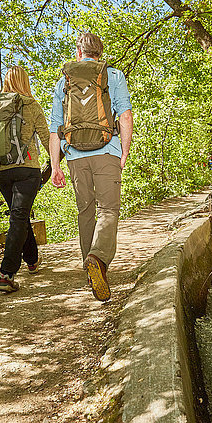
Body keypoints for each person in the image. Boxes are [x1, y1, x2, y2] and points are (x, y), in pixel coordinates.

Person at [49, 32, 133, 301]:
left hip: (74, 155)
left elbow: (55, 128)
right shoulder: (113, 75)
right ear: (100, 51)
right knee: (108, 209)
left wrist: (55, 166)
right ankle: (98, 259)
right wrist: (125, 151)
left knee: (85, 211)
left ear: (79, 51)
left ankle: (90, 268)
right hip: (106, 150)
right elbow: (125, 115)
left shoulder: (65, 80)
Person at [0, 66, 50, 293]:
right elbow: (47, 137)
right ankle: (6, 274)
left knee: (20, 214)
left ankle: (32, 260)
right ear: (25, 82)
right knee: (18, 217)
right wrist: (57, 164)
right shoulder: (31, 104)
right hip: (27, 169)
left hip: (1, 170)